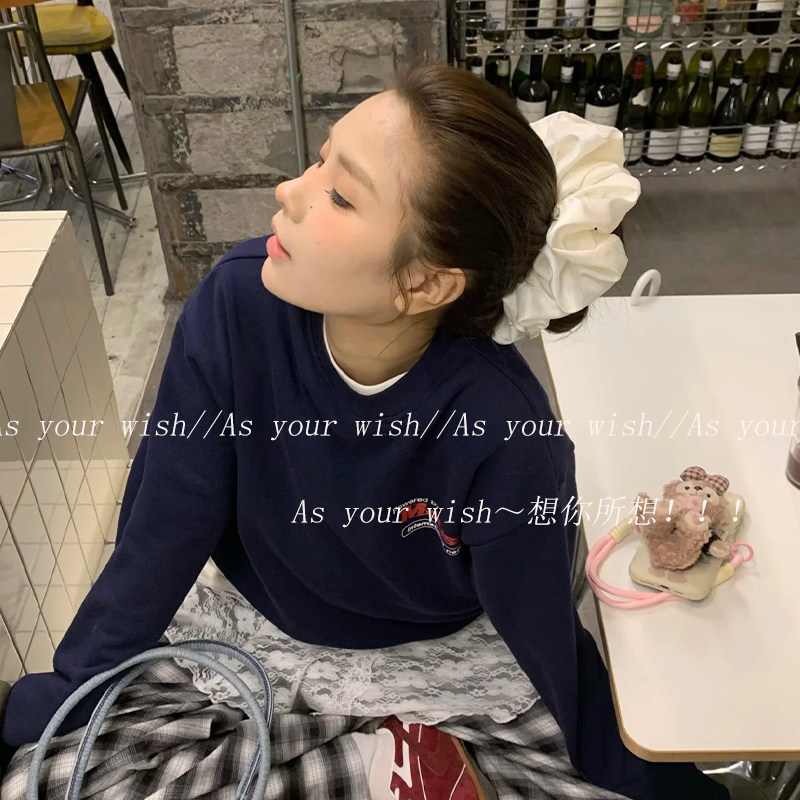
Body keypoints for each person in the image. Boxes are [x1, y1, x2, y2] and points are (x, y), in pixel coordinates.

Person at [0, 60, 729, 800]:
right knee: (49, 778)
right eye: (320, 161)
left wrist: (650, 778)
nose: (288, 192)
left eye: (340, 195)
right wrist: (64, 696)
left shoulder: (507, 432)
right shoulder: (234, 309)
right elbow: (165, 523)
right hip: (260, 625)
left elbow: (537, 615)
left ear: (425, 282)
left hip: (440, 652)